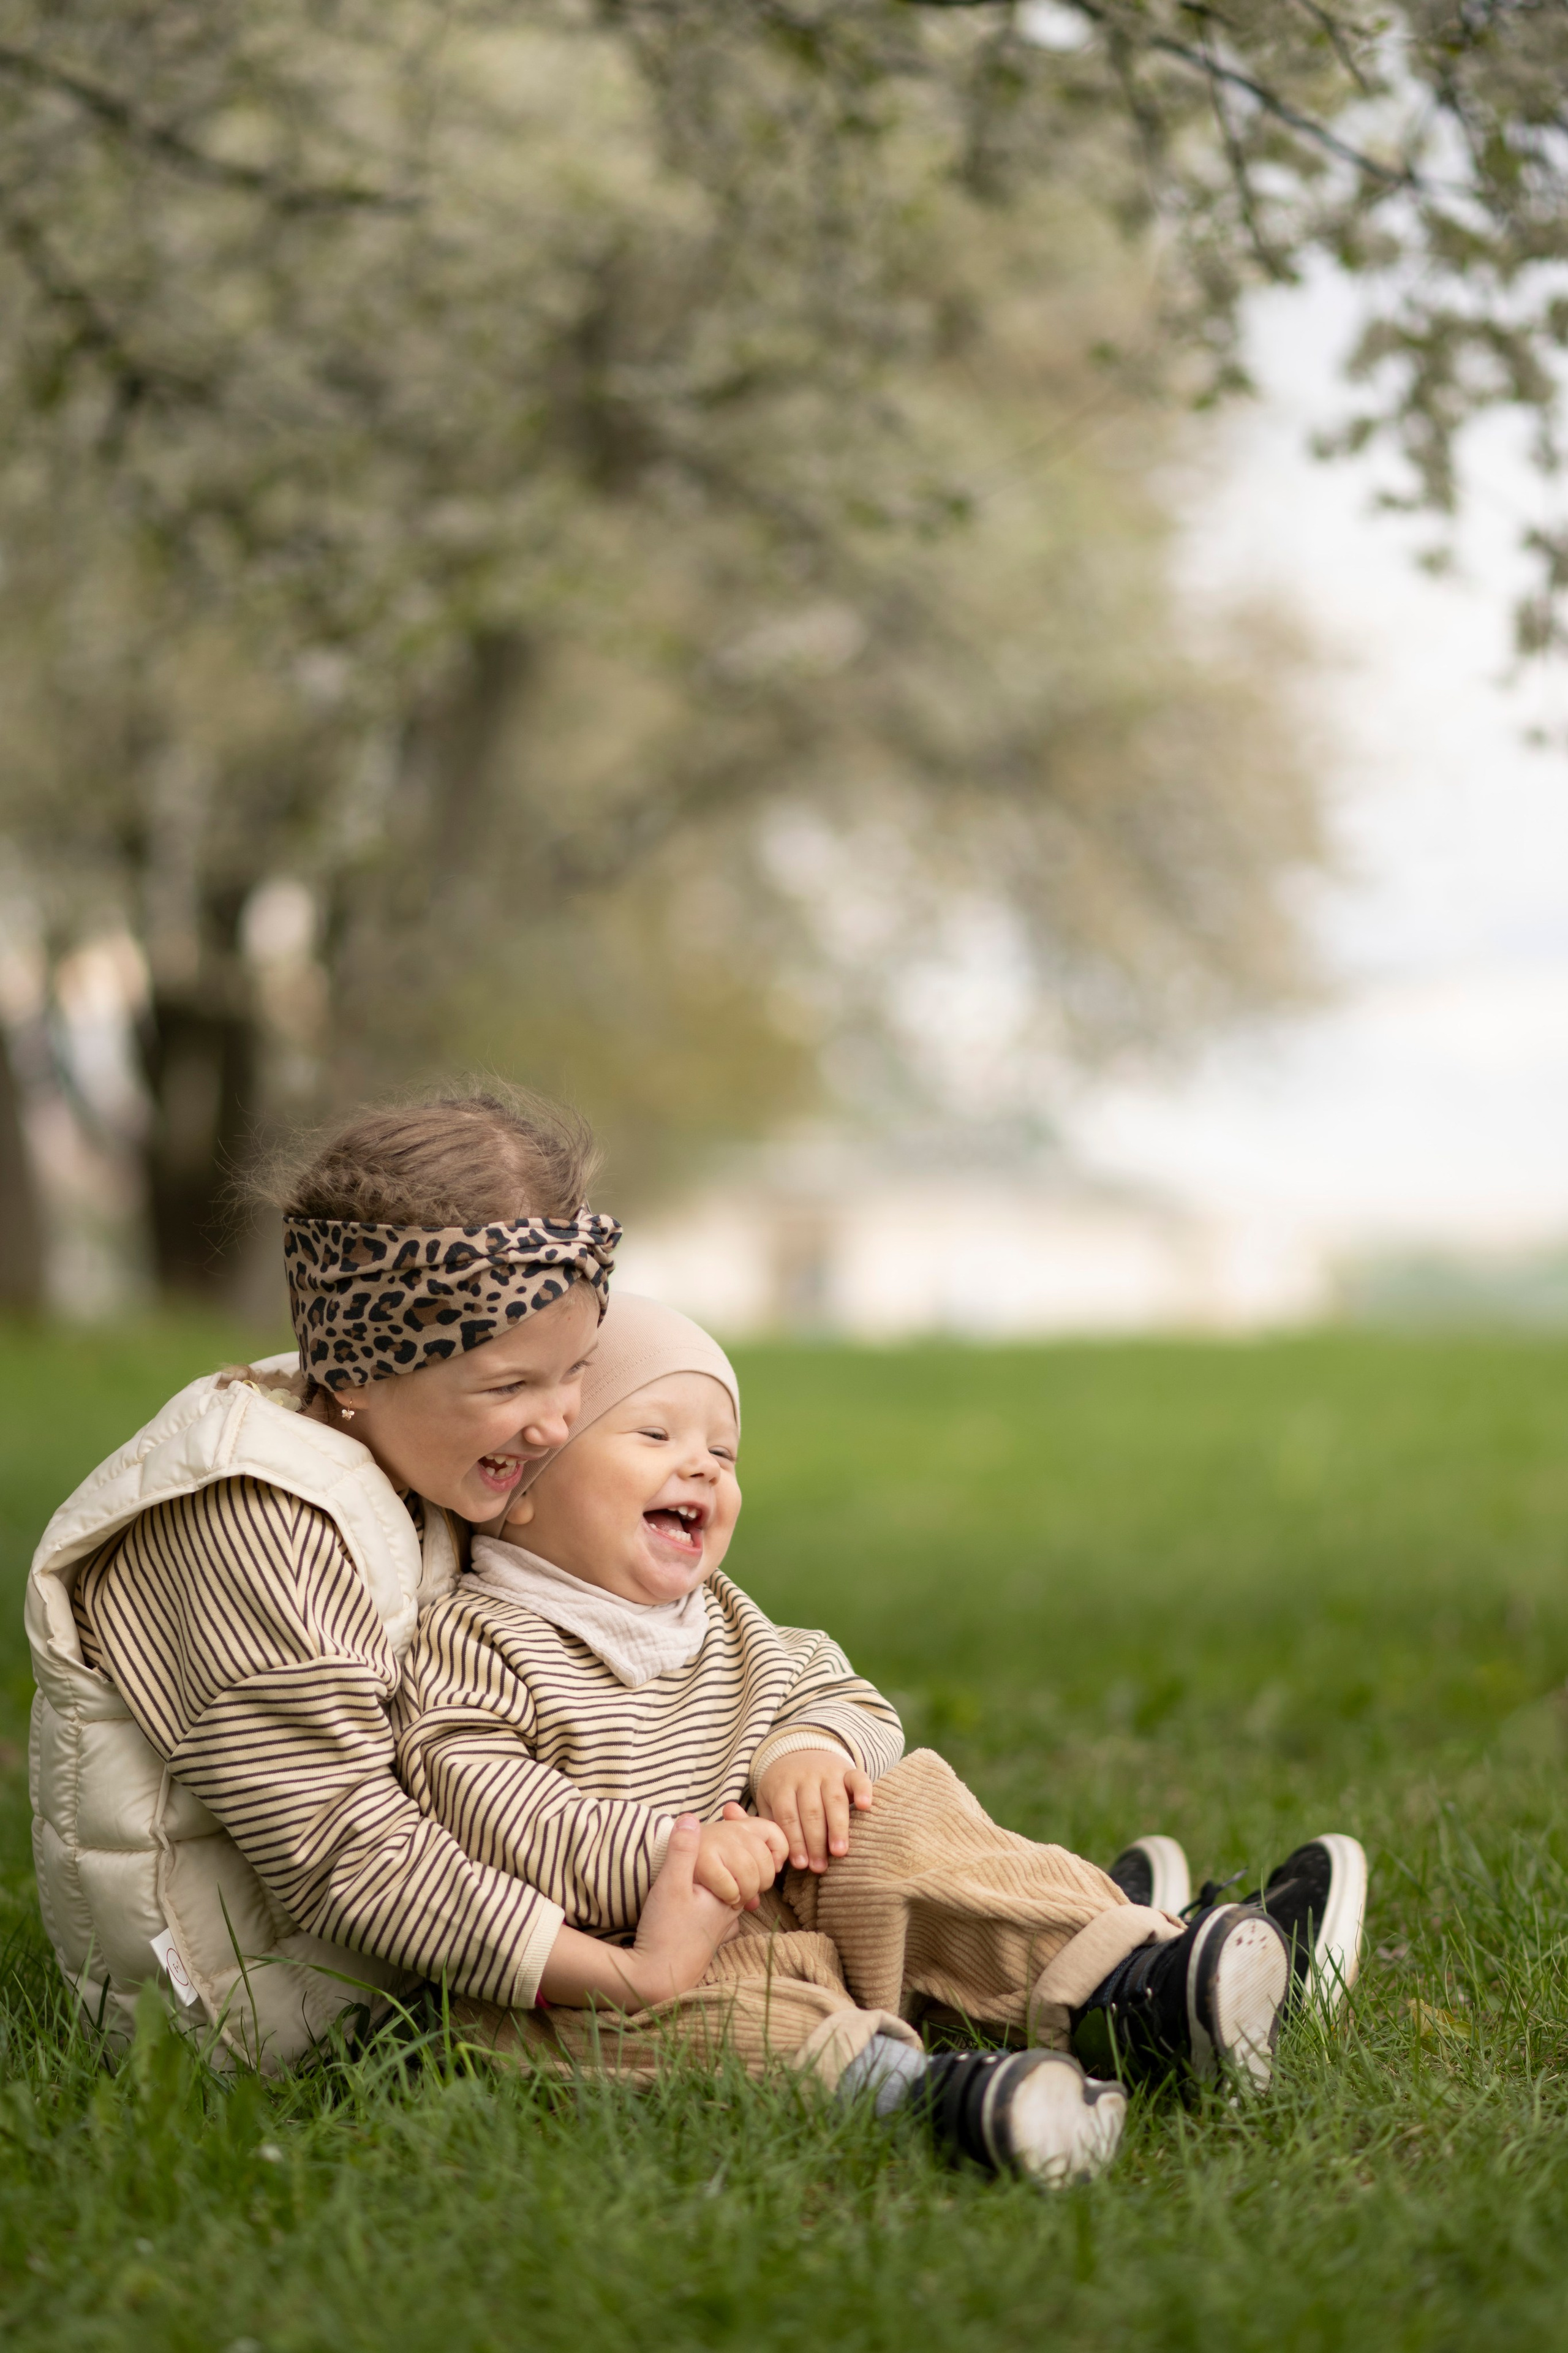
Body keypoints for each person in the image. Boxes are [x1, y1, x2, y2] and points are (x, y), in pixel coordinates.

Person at [393, 1293, 1367, 2189]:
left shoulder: (723, 1618)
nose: (702, 1466)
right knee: (727, 2029)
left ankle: (1135, 1982)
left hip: (792, 1888)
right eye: (655, 1434)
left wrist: (806, 1750)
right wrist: (668, 1856)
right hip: (622, 1957)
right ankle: (935, 2095)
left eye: (724, 1455)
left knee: (894, 1814)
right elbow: (479, 1798)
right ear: (518, 1487)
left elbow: (837, 1690)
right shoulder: (475, 1639)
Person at [27, 1087, 623, 2070]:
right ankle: (903, 2084)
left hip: (421, 1950)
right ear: (357, 1367)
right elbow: (342, 1850)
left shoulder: (417, 1453)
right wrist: (615, 1969)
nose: (557, 1421)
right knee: (727, 1990)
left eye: (575, 1371)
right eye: (510, 1385)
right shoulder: (248, 1521)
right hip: (248, 2016)